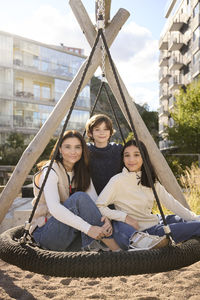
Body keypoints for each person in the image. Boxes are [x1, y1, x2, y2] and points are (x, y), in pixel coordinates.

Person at [96, 139, 200, 250]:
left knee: (189, 220)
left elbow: (171, 203)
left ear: (144, 157)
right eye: (127, 155)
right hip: (147, 234)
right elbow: (99, 206)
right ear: (123, 158)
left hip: (155, 222)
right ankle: (143, 243)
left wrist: (194, 217)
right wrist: (125, 217)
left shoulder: (150, 181)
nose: (131, 159)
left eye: (136, 155)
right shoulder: (117, 181)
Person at [29, 130, 120, 252]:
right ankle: (116, 250)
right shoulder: (50, 170)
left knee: (85, 201)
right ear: (60, 149)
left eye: (77, 147)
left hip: (68, 233)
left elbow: (94, 201)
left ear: (83, 150)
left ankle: (101, 249)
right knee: (79, 198)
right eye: (68, 147)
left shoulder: (81, 171)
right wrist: (88, 229)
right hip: (45, 234)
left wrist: (104, 219)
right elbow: (54, 208)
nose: (73, 152)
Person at [85, 114, 123, 195]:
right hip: (92, 197)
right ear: (90, 133)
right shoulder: (86, 150)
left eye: (105, 129)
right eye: (97, 129)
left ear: (110, 132)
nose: (102, 133)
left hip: (115, 196)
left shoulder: (118, 149)